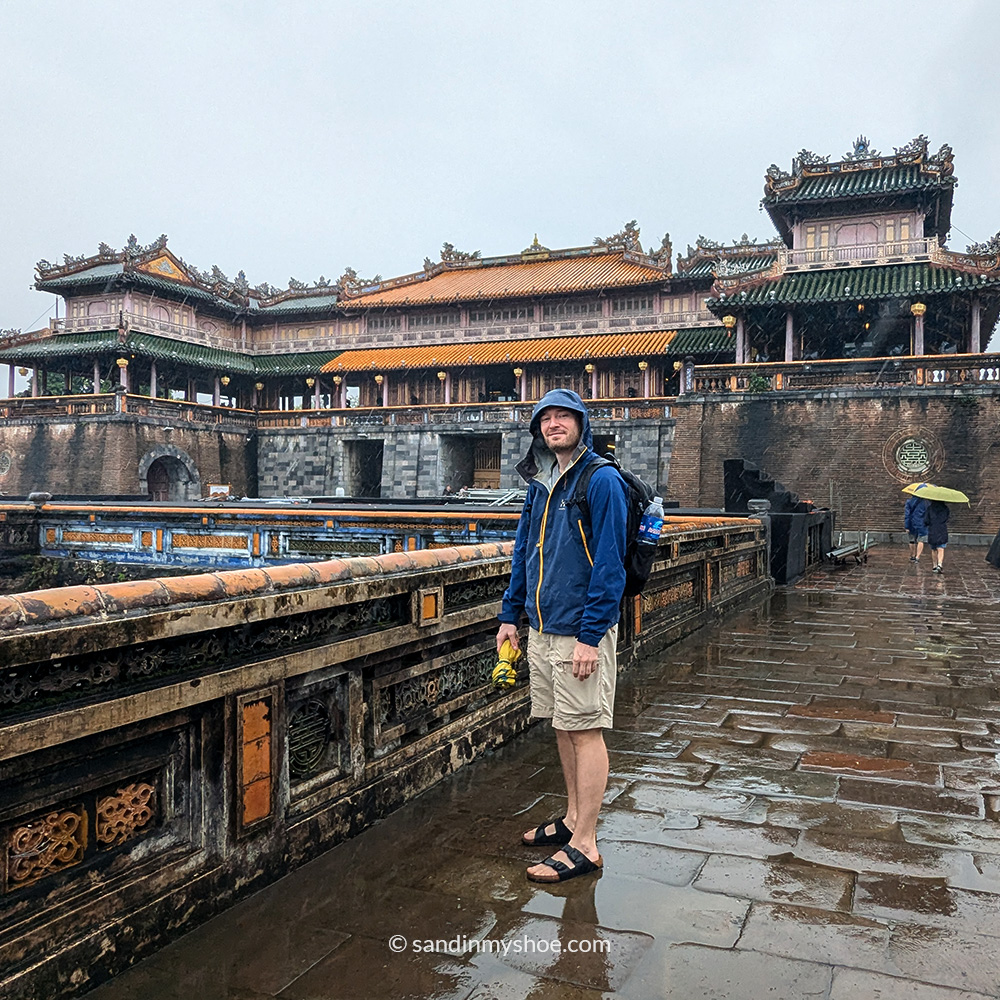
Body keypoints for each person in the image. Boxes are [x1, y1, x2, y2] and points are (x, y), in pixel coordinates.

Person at [496, 388, 628, 883]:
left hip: (580, 630)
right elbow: (524, 553)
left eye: (563, 417)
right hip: (542, 625)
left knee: (586, 727)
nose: (554, 425)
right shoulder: (540, 484)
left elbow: (610, 564)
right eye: (545, 419)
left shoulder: (601, 480)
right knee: (562, 724)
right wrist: (511, 614)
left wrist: (591, 636)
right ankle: (573, 819)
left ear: (581, 424)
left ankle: (587, 843)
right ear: (538, 431)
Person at [904, 494, 929, 562]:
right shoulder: (926, 503)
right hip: (922, 524)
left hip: (911, 523)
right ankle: (917, 557)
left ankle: (912, 556)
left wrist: (907, 526)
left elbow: (907, 515)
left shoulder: (909, 501)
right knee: (921, 540)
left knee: (911, 540)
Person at [927, 499, 950, 573]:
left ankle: (934, 565)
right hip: (942, 529)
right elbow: (947, 518)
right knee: (941, 548)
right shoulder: (945, 508)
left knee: (933, 549)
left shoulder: (930, 508)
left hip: (932, 529)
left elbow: (926, 520)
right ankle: (940, 564)